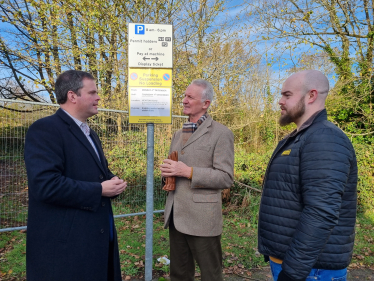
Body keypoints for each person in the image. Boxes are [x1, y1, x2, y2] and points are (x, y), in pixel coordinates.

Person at [24, 70, 127, 281]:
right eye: (92, 92)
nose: (98, 97)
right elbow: (46, 185)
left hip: (96, 242)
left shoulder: (89, 133)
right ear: (73, 96)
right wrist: (100, 189)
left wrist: (112, 181)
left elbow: (98, 174)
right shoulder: (45, 129)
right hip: (67, 249)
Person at [257, 70, 358, 281]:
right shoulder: (302, 137)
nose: (279, 101)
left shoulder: (325, 138)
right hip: (297, 266)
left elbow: (321, 212)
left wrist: (292, 274)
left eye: (286, 95)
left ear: (311, 96)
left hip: (311, 272)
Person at [160, 79, 234, 281]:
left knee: (210, 275)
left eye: (189, 97)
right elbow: (174, 166)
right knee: (179, 274)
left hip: (203, 220)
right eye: (184, 96)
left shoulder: (221, 133)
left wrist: (189, 172)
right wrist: (167, 173)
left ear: (206, 103)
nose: (183, 100)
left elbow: (226, 177)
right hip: (176, 216)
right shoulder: (178, 133)